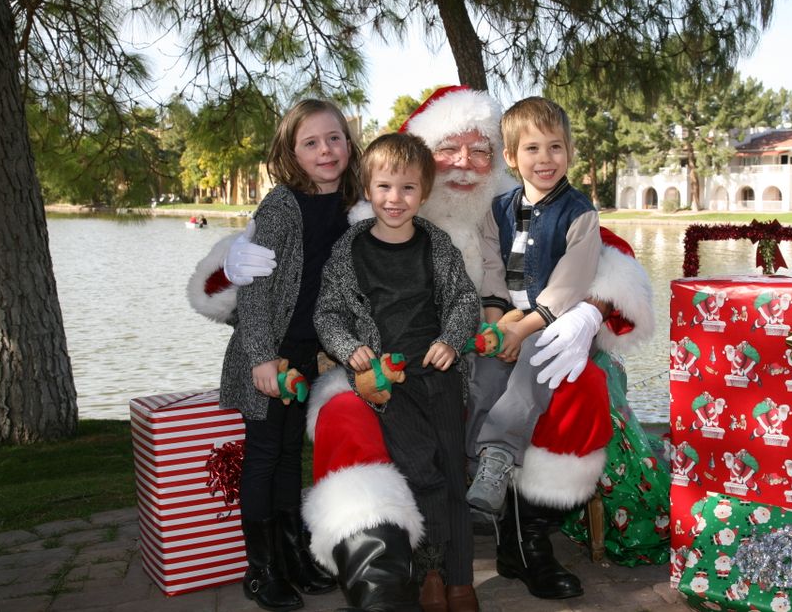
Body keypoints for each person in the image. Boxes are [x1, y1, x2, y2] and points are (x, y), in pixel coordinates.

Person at [189, 85, 656, 609]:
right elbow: (289, 281)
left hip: (480, 354)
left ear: (497, 157)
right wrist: (230, 267)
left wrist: (590, 310)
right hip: (374, 361)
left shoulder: (511, 202)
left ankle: (525, 543)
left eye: (478, 149)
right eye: (448, 149)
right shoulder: (366, 208)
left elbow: (607, 256)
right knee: (341, 417)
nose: (463, 164)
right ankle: (380, 566)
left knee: (580, 384)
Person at [313, 133, 480, 611]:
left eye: (407, 189)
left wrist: (451, 339)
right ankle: (429, 571)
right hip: (388, 382)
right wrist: (351, 350)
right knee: (419, 471)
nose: (395, 199)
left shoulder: (435, 243)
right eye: (384, 187)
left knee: (451, 471)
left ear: (423, 194)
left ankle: (460, 582)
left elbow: (464, 299)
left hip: (438, 373)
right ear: (368, 188)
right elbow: (328, 314)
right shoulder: (350, 250)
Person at [217, 98, 361, 611]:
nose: (326, 150)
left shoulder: (354, 204)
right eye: (311, 142)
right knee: (262, 456)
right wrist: (260, 356)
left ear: (349, 142)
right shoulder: (281, 206)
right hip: (270, 353)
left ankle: (292, 552)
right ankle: (260, 570)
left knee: (288, 458)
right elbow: (252, 290)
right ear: (291, 152)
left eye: (335, 138)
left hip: (307, 353)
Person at [466, 97, 601, 516]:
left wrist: (522, 331)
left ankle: (498, 455)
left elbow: (570, 283)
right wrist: (496, 327)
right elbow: (491, 267)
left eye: (555, 147)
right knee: (483, 373)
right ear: (510, 156)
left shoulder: (579, 213)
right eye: (532, 148)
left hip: (558, 325)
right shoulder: (499, 212)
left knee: (533, 365)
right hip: (509, 319)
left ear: (570, 152)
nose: (546, 159)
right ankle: (469, 467)